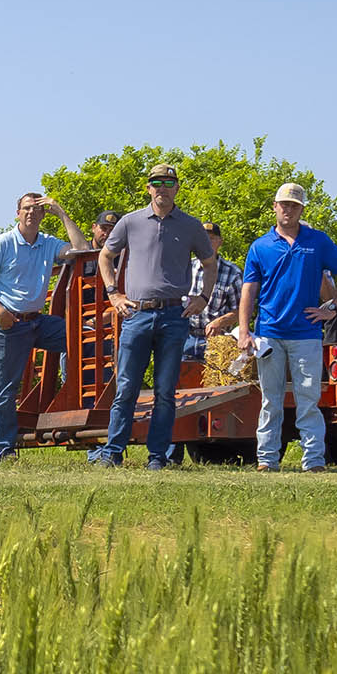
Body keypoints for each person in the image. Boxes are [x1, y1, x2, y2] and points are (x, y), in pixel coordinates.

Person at [93, 163, 218, 468]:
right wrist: (113, 293)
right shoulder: (130, 222)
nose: (162, 187)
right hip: (136, 314)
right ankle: (113, 452)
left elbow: (210, 263)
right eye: (156, 182)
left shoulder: (190, 226)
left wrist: (202, 298)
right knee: (126, 388)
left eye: (168, 182)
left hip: (174, 315)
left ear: (177, 187)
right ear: (148, 187)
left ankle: (157, 457)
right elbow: (105, 256)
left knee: (165, 392)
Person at [238, 182, 337, 473]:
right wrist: (243, 330)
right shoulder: (260, 246)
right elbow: (249, 291)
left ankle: (313, 460)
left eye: (294, 205)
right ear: (275, 207)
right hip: (269, 334)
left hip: (306, 334)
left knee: (308, 400)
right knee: (270, 401)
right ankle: (266, 459)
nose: (288, 209)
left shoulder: (318, 241)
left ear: (301, 209)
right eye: (283, 204)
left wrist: (334, 308)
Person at [0, 192, 74, 460]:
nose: (31, 213)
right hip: (5, 323)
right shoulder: (2, 243)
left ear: (43, 214)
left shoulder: (48, 243)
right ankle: (5, 449)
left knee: (79, 339)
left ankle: (70, 396)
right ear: (18, 213)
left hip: (36, 321)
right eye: (26, 208)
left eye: (36, 209)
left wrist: (61, 213)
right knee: (5, 388)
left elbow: (80, 250)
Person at [182, 223, 243, 363]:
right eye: (203, 238)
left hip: (217, 341)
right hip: (185, 338)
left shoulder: (233, 273)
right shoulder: (186, 268)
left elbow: (241, 310)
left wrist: (220, 322)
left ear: (220, 242)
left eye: (212, 238)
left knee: (216, 382)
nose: (207, 242)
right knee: (182, 382)